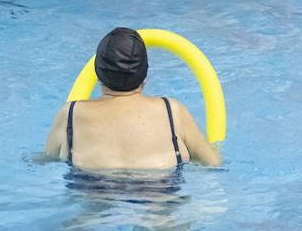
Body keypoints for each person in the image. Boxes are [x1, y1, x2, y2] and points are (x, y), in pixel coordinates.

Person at [44, 28, 221, 171]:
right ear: (144, 75)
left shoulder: (70, 114)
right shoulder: (172, 112)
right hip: (158, 192)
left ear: (97, 74)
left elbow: (46, 160)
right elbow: (213, 163)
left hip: (93, 190)